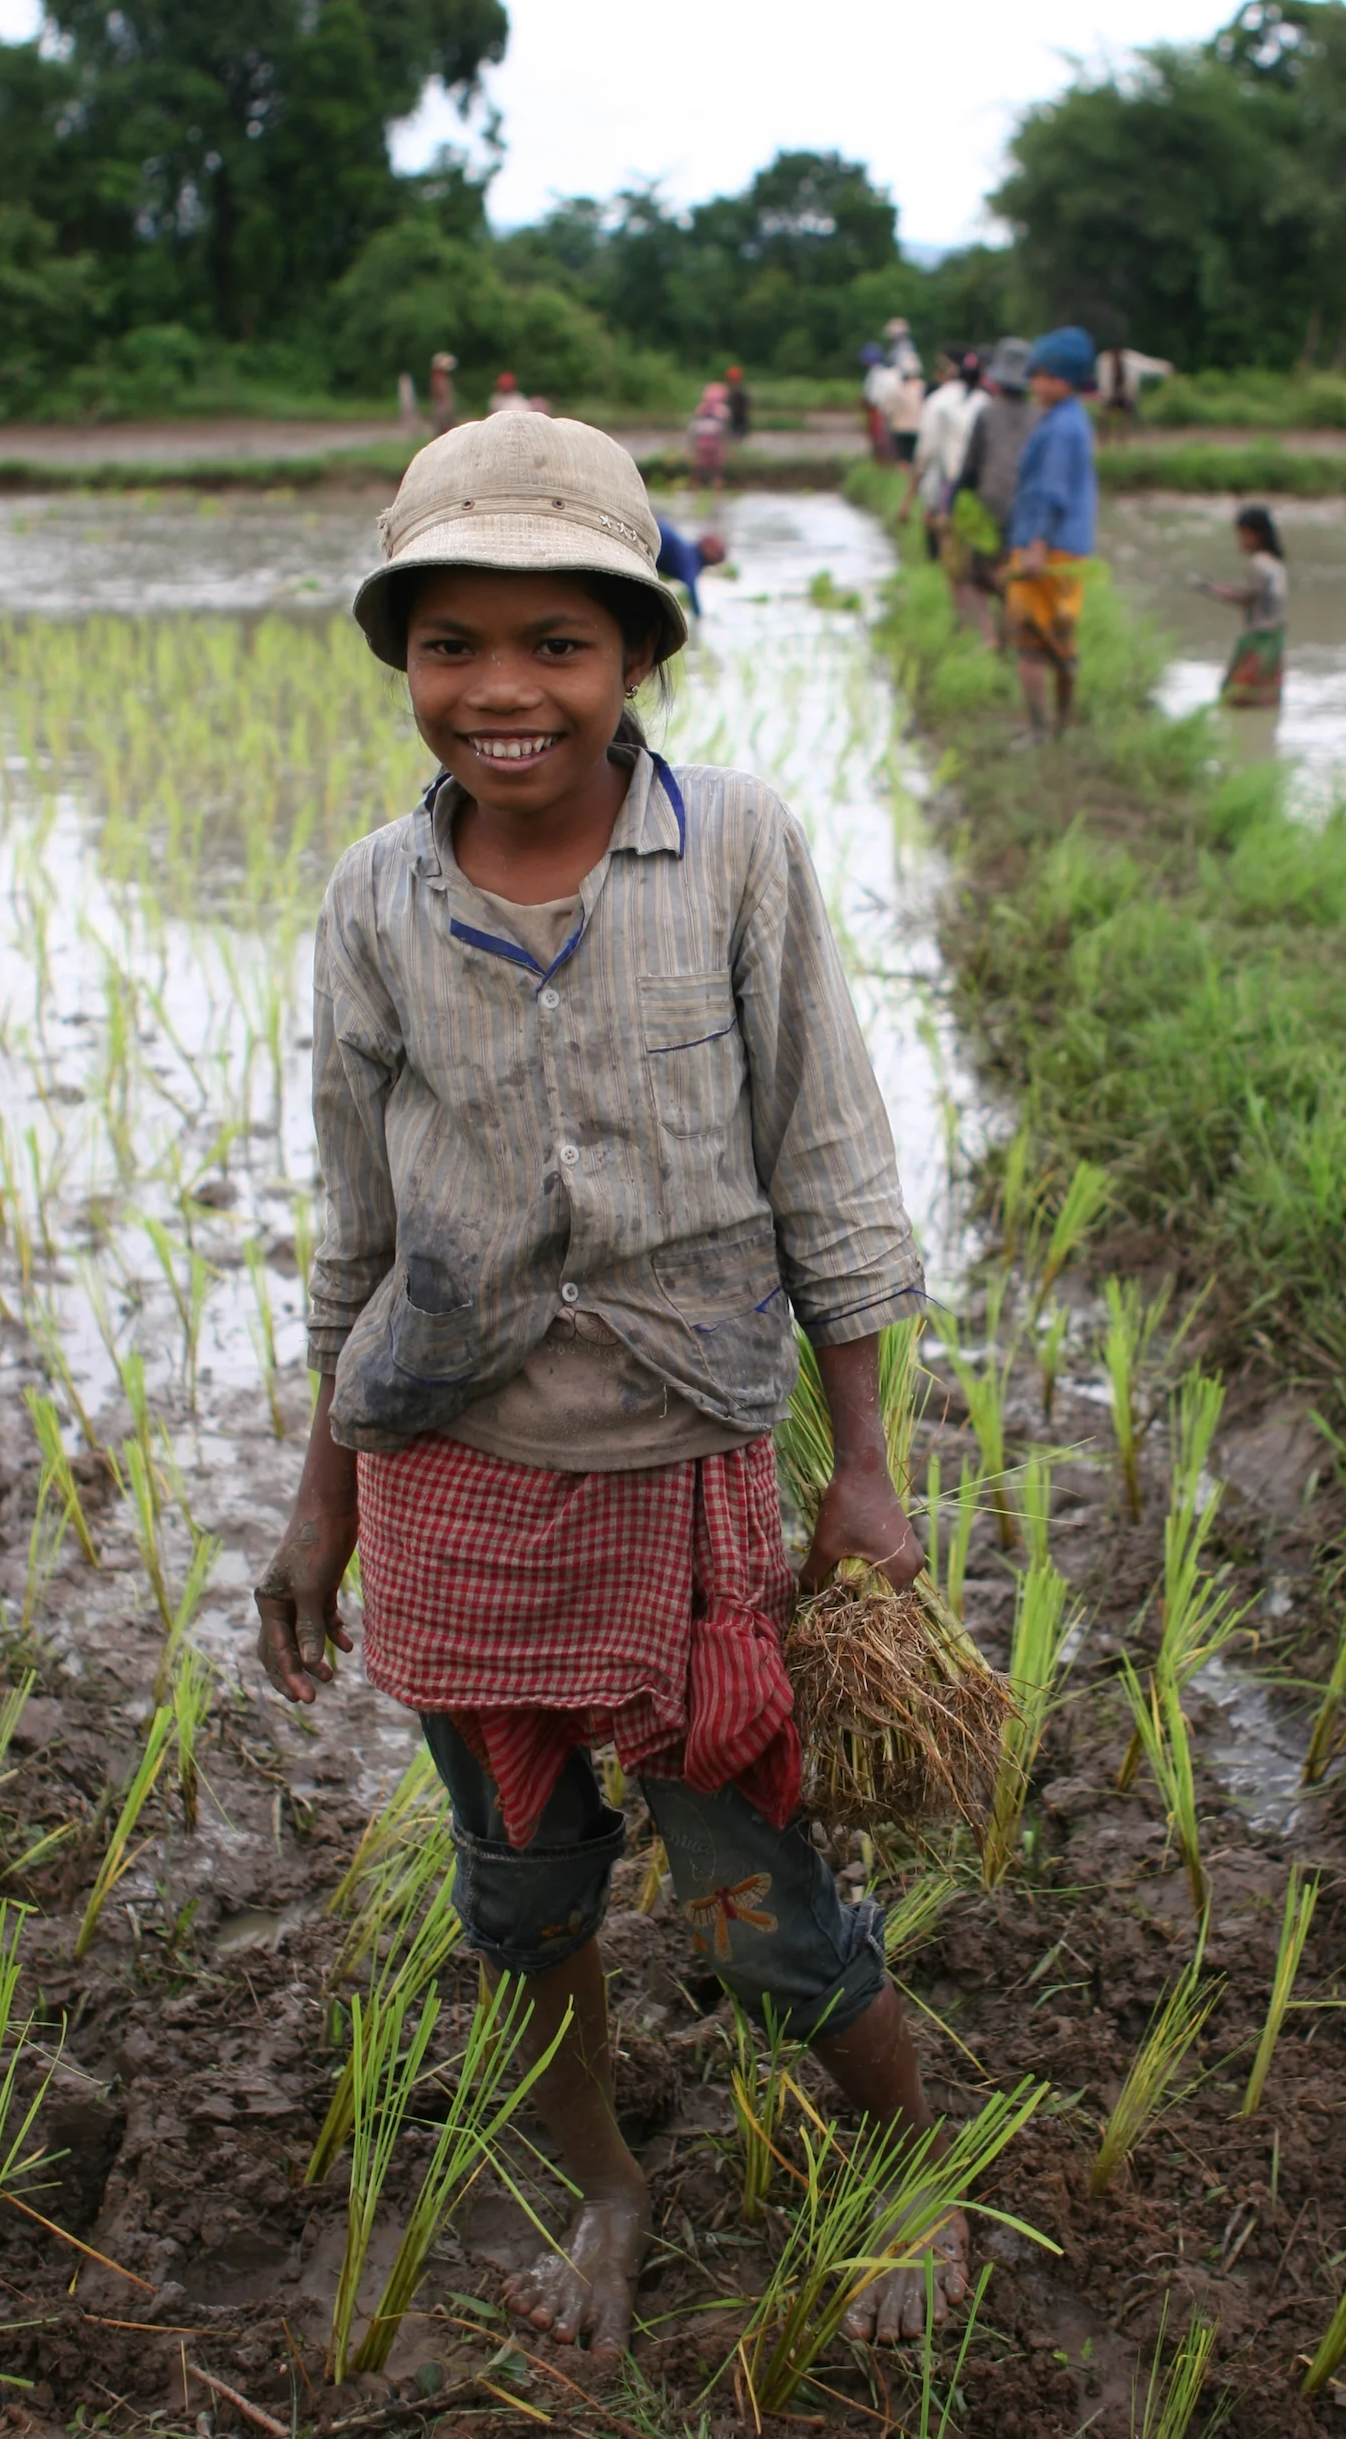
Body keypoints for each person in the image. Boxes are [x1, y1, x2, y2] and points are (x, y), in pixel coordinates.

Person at [252, 411, 968, 2363]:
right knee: (524, 1896)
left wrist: (864, 1464)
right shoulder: (366, 903)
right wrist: (317, 1504)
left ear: (636, 655)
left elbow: (823, 1147)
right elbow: (356, 1226)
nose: (500, 689)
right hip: (453, 1499)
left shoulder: (731, 847)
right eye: (452, 642)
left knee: (755, 1894)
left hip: (678, 1492)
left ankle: (909, 2169)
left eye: (555, 642)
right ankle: (608, 2184)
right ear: (404, 656)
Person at [1003, 326, 1099, 740]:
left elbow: (1050, 491)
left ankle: (1041, 730)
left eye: (1040, 375)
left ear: (1062, 378)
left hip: (1044, 547)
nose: (1033, 383)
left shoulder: (1059, 429)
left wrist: (1035, 545)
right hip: (1070, 549)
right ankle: (1060, 726)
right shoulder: (1073, 419)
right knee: (1061, 642)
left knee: (1029, 644)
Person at [947, 336, 1032, 640]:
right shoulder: (1040, 417)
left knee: (978, 577)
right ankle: (1008, 642)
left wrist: (950, 503)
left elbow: (969, 468)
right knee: (1013, 582)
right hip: (1027, 513)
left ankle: (988, 639)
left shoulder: (988, 414)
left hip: (992, 506)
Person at [1198, 504, 1287, 707]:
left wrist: (1210, 589)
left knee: (1233, 698)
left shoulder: (1258, 563)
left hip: (1257, 639)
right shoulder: (1276, 563)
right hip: (1275, 637)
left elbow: (1246, 597)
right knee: (1265, 701)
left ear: (1250, 533)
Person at [898, 349, 986, 546]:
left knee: (944, 537)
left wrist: (907, 501)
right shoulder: (985, 402)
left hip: (949, 480)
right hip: (979, 483)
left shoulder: (938, 402)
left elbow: (925, 452)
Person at [654, 516, 728, 619]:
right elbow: (691, 586)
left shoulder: (689, 552)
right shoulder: (691, 559)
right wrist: (699, 616)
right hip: (655, 537)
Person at [1095, 345, 1173, 435]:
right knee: (1105, 416)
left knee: (1123, 417)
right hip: (1110, 395)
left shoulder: (1128, 360)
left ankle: (1122, 437)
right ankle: (1106, 437)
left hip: (1123, 395)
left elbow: (1148, 366)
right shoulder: (1105, 361)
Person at [883, 346, 925, 468]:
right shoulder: (922, 387)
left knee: (902, 459)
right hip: (918, 427)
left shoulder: (897, 389)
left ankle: (903, 481)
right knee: (914, 458)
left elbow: (888, 409)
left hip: (900, 428)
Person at [688, 380, 730, 488]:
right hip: (712, 442)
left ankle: (697, 489)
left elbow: (693, 429)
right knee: (715, 469)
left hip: (703, 441)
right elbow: (724, 431)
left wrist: (692, 445)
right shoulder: (722, 410)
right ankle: (715, 489)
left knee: (700, 467)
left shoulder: (701, 409)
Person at [861, 341, 896, 461]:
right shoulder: (884, 373)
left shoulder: (877, 373)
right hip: (881, 407)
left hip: (877, 408)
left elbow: (872, 396)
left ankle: (881, 459)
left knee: (880, 436)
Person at [429, 351, 458, 436]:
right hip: (442, 411)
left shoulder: (439, 378)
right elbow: (443, 396)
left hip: (441, 409)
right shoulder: (439, 379)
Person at [724, 365, 751, 439]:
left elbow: (747, 403)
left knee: (738, 431)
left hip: (739, 416)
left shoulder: (740, 390)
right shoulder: (731, 390)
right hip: (734, 416)